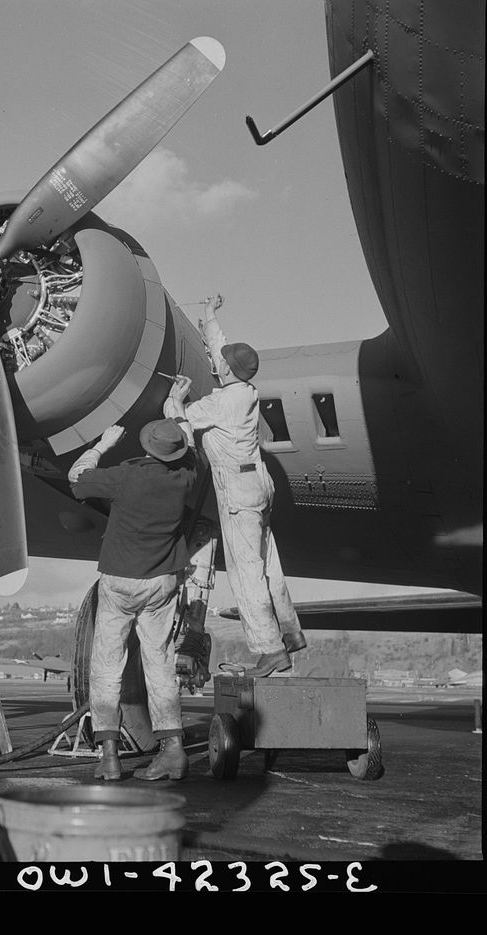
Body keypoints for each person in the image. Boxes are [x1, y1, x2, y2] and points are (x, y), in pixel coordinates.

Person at [165, 295, 305, 678]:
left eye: (220, 359)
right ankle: (290, 631)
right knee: (268, 564)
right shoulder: (246, 389)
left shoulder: (220, 403)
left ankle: (270, 649)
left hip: (238, 494)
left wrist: (174, 400)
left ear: (226, 369)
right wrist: (210, 315)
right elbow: (223, 351)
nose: (215, 359)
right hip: (259, 483)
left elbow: (180, 425)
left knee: (247, 574)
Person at [68, 407, 196, 781]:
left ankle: (109, 756)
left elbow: (77, 480)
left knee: (107, 666)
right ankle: (173, 750)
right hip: (161, 583)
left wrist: (102, 445)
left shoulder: (125, 477)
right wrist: (178, 409)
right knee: (160, 664)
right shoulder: (185, 478)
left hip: (120, 581)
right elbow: (190, 453)